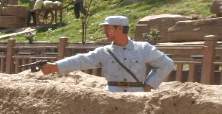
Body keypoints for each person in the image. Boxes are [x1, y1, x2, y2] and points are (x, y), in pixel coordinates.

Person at [41, 16, 174, 92]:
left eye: (108, 29)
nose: (105, 32)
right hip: (111, 96)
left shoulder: (143, 48)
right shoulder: (104, 52)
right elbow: (81, 60)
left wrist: (149, 84)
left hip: (137, 96)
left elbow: (167, 64)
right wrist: (55, 67)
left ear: (120, 29)